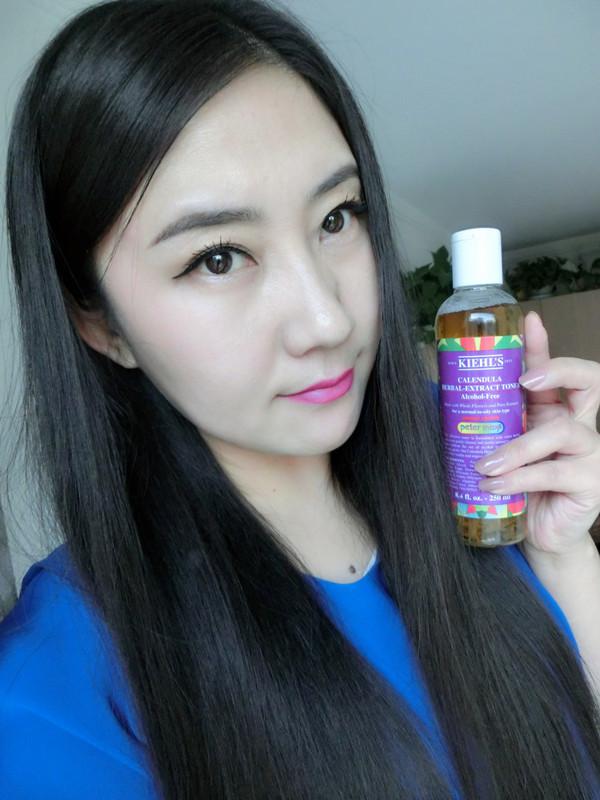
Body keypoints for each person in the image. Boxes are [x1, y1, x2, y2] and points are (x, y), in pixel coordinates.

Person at [1, 1, 599, 798]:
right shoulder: (59, 694)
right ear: (99, 321)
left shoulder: (473, 463)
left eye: (337, 217)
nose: (328, 319)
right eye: (218, 258)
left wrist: (564, 555)